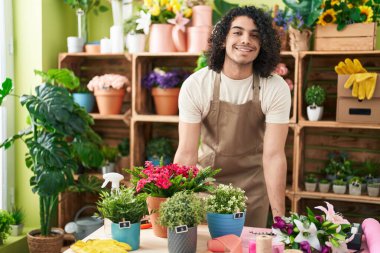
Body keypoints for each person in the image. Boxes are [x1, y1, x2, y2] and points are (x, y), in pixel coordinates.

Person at [173, 6, 291, 227]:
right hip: (206, 186)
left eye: (254, 35)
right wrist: (176, 208)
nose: (246, 40)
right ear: (222, 39)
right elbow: (187, 154)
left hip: (254, 190)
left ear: (263, 44)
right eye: (237, 32)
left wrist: (280, 220)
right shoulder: (197, 85)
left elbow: (274, 156)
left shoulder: (275, 87)